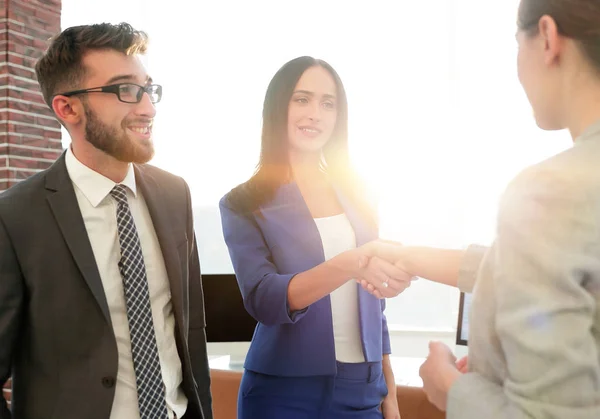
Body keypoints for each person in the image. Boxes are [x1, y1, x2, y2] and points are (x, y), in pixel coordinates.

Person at [362, 0, 600, 417]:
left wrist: (451, 388)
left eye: (515, 44)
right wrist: (409, 257)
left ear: (546, 37)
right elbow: (558, 265)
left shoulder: (551, 189)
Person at [0, 23, 212, 419]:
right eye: (125, 90)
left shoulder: (174, 194)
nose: (148, 107)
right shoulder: (13, 217)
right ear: (67, 108)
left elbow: (191, 330)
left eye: (148, 89)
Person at [219, 56, 414, 418]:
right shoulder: (243, 203)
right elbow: (264, 298)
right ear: (279, 107)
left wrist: (390, 393)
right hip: (283, 393)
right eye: (302, 99)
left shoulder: (360, 193)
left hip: (364, 389)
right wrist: (348, 264)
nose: (316, 113)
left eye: (328, 103)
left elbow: (375, 306)